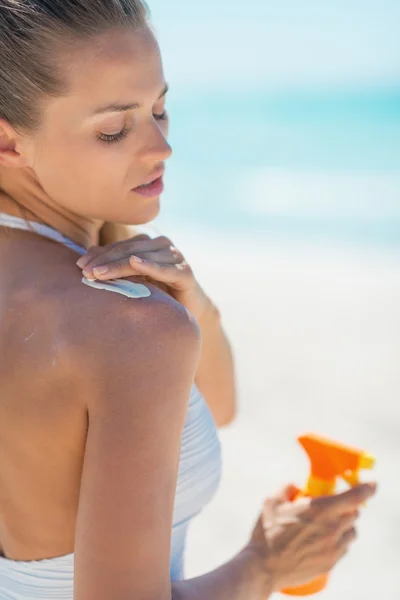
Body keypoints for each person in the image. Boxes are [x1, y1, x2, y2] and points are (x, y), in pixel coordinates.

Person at [0, 2, 376, 599]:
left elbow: (212, 405)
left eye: (160, 108)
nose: (161, 147)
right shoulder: (126, 325)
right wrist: (266, 564)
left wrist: (191, 302)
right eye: (114, 129)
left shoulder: (92, 300)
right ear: (8, 141)